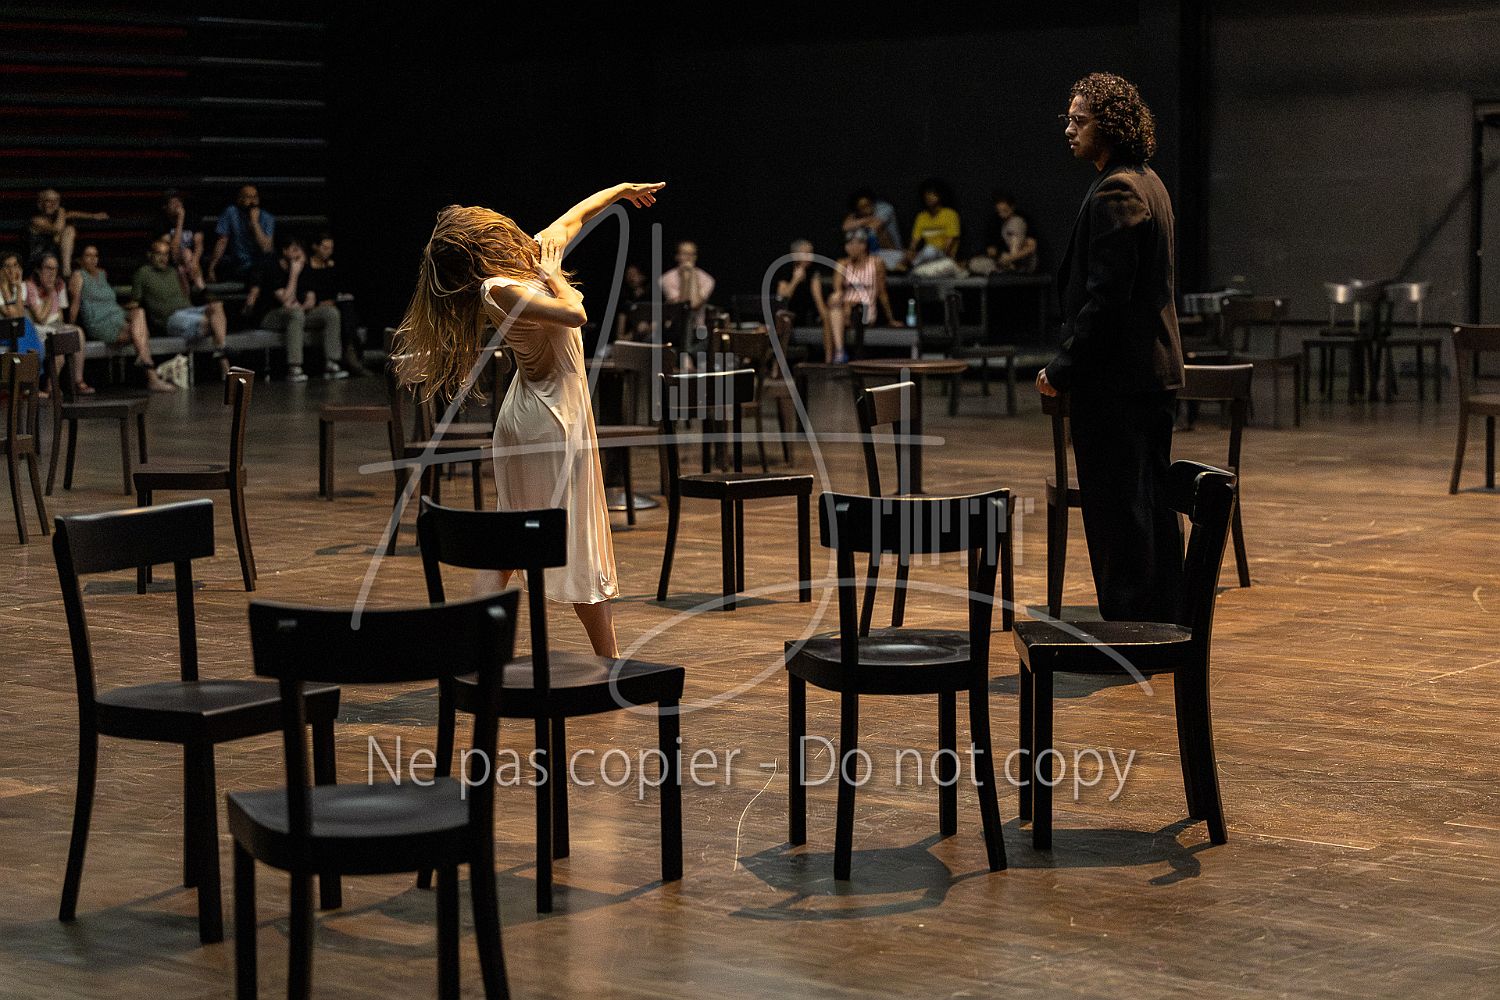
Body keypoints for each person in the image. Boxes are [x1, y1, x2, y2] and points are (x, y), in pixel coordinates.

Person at [394, 181, 665, 658]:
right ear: (484, 243)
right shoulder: (498, 288)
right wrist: (555, 275)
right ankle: (608, 661)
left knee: (511, 539)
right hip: (546, 418)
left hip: (549, 411)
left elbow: (573, 219)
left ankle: (469, 648)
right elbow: (575, 312)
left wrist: (620, 192)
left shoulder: (526, 263)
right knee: (571, 539)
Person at [1036, 72, 1186, 622]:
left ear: (1111, 125)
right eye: (1069, 119)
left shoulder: (1118, 190)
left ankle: (1130, 630)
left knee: (1120, 512)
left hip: (1120, 381)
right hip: (1146, 375)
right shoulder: (1149, 182)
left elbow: (1107, 300)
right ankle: (1163, 622)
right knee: (1149, 506)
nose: (1069, 129)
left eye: (1080, 120)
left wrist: (1063, 367)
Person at [68, 245, 175, 393]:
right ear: (80, 259)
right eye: (88, 256)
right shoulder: (78, 276)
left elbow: (111, 302)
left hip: (117, 316)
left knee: (139, 312)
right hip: (99, 322)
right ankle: (151, 373)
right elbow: (75, 303)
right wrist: (70, 326)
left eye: (95, 256)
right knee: (142, 334)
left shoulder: (102, 274)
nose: (93, 259)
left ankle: (147, 366)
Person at [244, 237, 344, 383]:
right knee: (295, 314)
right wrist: (294, 274)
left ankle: (332, 363)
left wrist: (304, 306)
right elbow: (285, 300)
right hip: (271, 315)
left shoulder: (304, 268)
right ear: (285, 251)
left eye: (300, 250)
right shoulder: (273, 268)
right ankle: (294, 367)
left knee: (331, 313)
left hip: (297, 312)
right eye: (294, 250)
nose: (298, 254)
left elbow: (311, 297)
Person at [131, 239, 231, 377]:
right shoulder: (143, 273)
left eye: (166, 254)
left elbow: (186, 295)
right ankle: (224, 360)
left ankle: (221, 352)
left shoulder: (173, 271)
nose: (163, 258)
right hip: (171, 318)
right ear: (150, 255)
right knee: (213, 324)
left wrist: (187, 278)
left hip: (189, 310)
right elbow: (135, 302)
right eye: (159, 254)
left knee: (217, 305)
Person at [825, 228, 899, 363]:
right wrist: (843, 302)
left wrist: (891, 319)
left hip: (865, 309)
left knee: (855, 310)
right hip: (845, 309)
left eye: (853, 244)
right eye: (847, 244)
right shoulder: (843, 264)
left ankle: (848, 357)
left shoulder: (876, 263)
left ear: (863, 245)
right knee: (834, 305)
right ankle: (840, 353)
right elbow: (837, 290)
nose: (849, 248)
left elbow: (882, 293)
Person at [25, 253, 91, 394]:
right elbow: (40, 318)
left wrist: (62, 326)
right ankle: (51, 385)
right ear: (38, 270)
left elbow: (59, 313)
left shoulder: (59, 284)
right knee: (58, 344)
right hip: (38, 328)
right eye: (48, 268)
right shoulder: (30, 286)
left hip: (54, 325)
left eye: (55, 269)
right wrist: (50, 293)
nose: (52, 273)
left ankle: (78, 380)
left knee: (77, 332)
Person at [304, 232, 364, 374]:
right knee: (339, 313)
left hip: (332, 304)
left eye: (331, 248)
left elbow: (336, 290)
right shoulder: (307, 267)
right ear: (315, 247)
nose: (328, 252)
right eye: (325, 248)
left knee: (347, 306)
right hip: (314, 307)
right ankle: (347, 354)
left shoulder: (332, 266)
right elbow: (308, 294)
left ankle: (350, 350)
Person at [29, 189, 108, 278]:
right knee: (66, 231)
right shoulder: (36, 220)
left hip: (57, 257)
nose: (53, 204)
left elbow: (73, 214)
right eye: (48, 201)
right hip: (40, 258)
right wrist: (61, 210)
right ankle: (66, 272)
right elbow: (57, 229)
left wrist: (93, 216)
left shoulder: (57, 218)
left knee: (69, 230)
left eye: (55, 201)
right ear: (41, 203)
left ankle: (67, 271)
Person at [207, 184, 275, 283]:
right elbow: (222, 241)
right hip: (239, 266)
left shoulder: (267, 218)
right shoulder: (231, 212)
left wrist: (255, 224)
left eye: (255, 197)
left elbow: (267, 249)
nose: (252, 201)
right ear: (240, 199)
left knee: (262, 271)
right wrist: (212, 268)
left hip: (260, 266)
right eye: (248, 197)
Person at [970, 191, 1038, 275]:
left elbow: (1031, 247)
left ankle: (1014, 269)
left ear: (1012, 207)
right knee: (974, 263)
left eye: (1005, 210)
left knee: (1014, 222)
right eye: (999, 211)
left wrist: (1012, 258)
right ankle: (1007, 271)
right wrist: (996, 253)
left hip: (1023, 260)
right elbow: (992, 249)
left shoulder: (1020, 220)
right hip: (1005, 260)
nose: (1002, 214)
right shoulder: (996, 221)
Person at [904, 178, 962, 274]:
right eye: (927, 194)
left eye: (932, 194)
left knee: (929, 250)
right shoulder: (921, 216)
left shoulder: (950, 214)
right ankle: (910, 264)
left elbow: (949, 244)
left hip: (943, 256)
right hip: (925, 256)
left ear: (940, 195)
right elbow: (914, 241)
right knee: (899, 254)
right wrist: (910, 252)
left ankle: (910, 266)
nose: (929, 197)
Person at [156, 189, 206, 292]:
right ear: (165, 207)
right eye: (173, 203)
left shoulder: (193, 218)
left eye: (179, 201)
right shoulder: (161, 223)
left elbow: (199, 245)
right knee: (184, 257)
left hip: (192, 262)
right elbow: (173, 251)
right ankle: (202, 290)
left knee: (186, 258)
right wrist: (180, 220)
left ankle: (199, 288)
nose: (177, 205)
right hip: (171, 261)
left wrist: (194, 262)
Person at [659, 240, 715, 331]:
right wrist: (685, 279)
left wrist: (692, 274)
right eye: (685, 254)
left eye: (692, 254)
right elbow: (683, 307)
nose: (688, 258)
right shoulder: (666, 278)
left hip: (698, 329)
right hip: (674, 328)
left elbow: (695, 305)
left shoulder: (708, 280)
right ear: (677, 256)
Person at [842, 189, 905, 270]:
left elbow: (875, 226)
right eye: (863, 207)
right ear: (858, 209)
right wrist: (868, 219)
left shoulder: (885, 208)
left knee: (877, 231)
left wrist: (858, 222)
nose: (867, 208)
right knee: (852, 235)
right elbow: (846, 226)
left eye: (868, 204)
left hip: (891, 250)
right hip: (870, 252)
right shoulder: (857, 213)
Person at [774, 239, 828, 329]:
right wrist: (795, 280)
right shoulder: (786, 269)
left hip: (808, 313)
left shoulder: (813, 270)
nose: (810, 257)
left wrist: (826, 318)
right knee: (783, 316)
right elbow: (781, 299)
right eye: (807, 254)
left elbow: (818, 299)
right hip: (789, 312)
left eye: (811, 253)